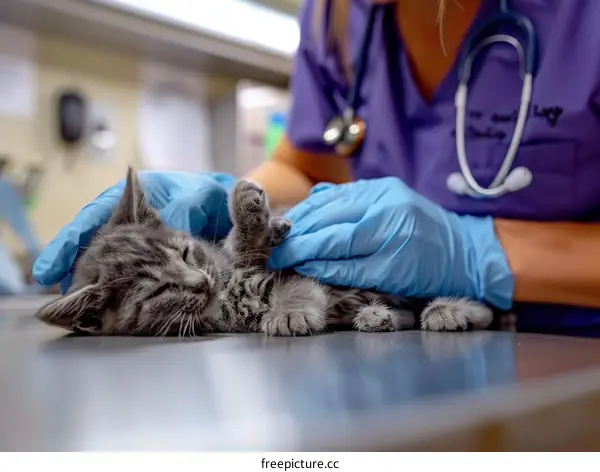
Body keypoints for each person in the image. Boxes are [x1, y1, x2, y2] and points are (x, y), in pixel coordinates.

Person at [33, 0, 600, 336]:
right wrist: (228, 195)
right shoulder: (338, 17)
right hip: (416, 353)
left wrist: (476, 252)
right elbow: (306, 166)